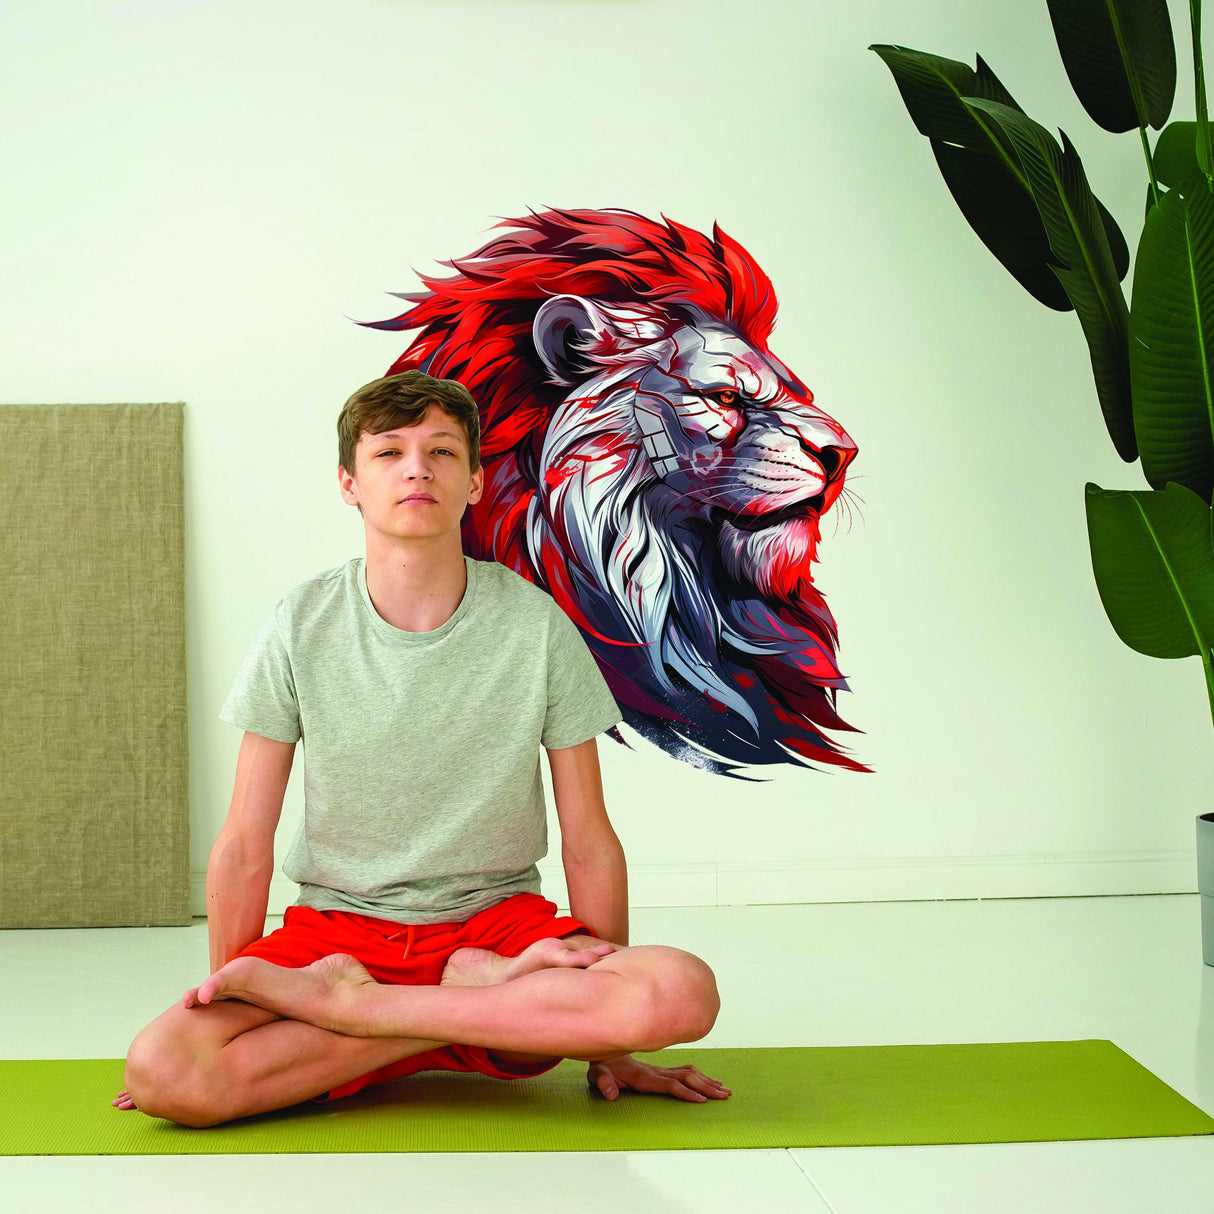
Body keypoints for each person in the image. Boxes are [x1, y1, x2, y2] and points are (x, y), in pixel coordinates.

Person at [113, 370, 729, 1127]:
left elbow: (589, 839)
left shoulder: (535, 625)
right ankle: (463, 1006)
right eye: (389, 453)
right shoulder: (301, 622)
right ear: (350, 484)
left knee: (678, 991)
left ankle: (362, 1012)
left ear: (474, 482)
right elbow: (244, 840)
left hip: (498, 929)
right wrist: (235, 992)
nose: (417, 469)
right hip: (341, 935)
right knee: (165, 1070)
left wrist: (613, 1047)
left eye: (441, 451)